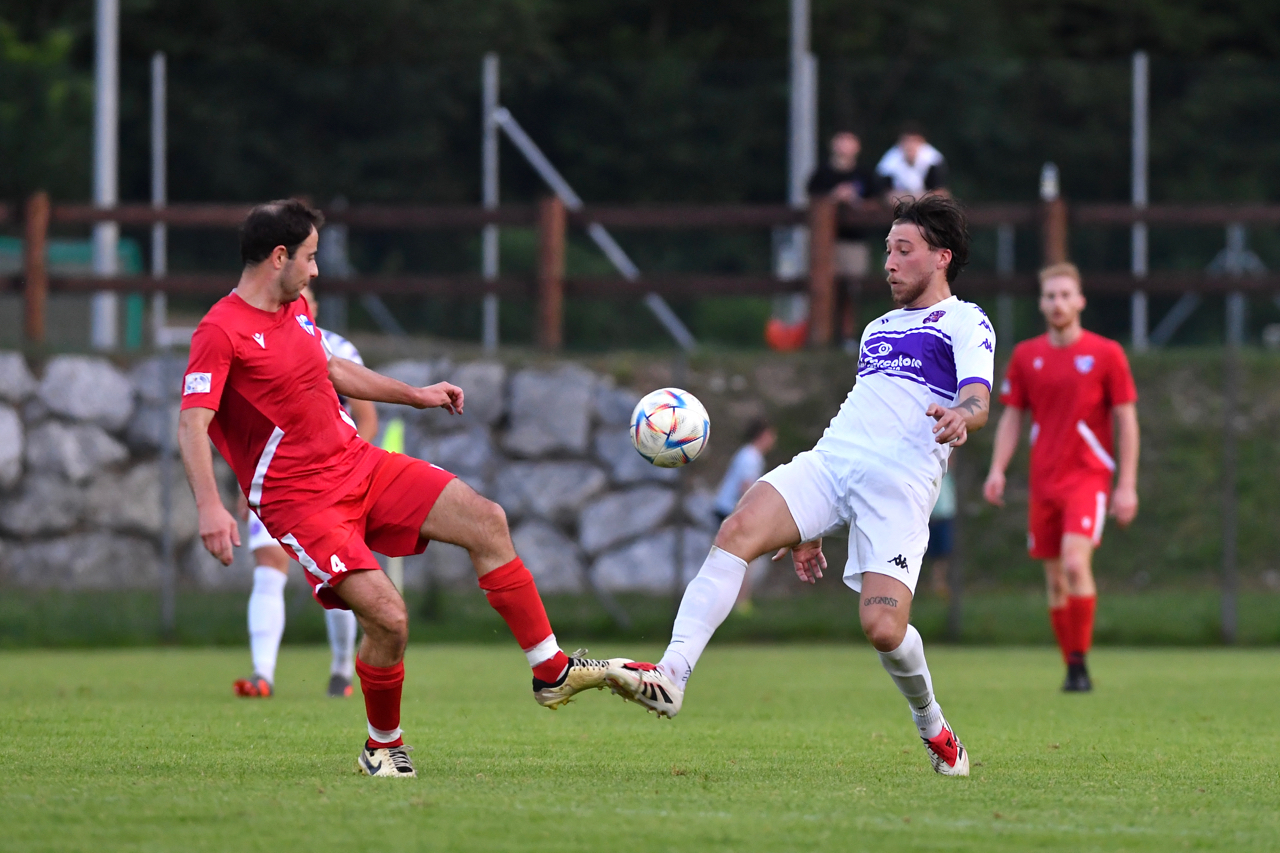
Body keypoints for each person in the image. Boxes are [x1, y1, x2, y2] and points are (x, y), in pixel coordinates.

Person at [178, 199, 626, 778]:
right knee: (389, 620)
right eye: (310, 258)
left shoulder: (295, 310)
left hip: (359, 464)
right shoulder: (220, 331)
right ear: (279, 257)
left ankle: (551, 670)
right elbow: (192, 423)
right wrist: (210, 507)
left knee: (486, 519)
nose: (316, 270)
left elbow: (331, 370)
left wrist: (416, 394)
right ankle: (382, 746)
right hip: (302, 502)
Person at [607, 195, 992, 777]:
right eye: (887, 250)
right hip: (832, 462)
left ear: (942, 257)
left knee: (883, 630)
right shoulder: (877, 330)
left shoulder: (965, 320)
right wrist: (808, 523)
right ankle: (672, 674)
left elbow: (978, 396)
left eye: (904, 250)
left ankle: (933, 725)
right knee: (738, 528)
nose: (889, 263)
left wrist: (963, 414)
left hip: (898, 487)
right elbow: (865, 411)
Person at [982, 262, 1139, 692]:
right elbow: (1012, 417)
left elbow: (1126, 420)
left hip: (1088, 478)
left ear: (1080, 301)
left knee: (1074, 563)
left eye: (1066, 295)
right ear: (1041, 302)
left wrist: (1126, 484)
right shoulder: (1026, 356)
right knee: (1054, 579)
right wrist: (997, 469)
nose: (1058, 303)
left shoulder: (1107, 354)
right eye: (1050, 295)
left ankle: (1081, 662)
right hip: (1044, 482)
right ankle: (1071, 665)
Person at [233, 284, 378, 700]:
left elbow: (367, 418)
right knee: (268, 564)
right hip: (275, 481)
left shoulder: (338, 349)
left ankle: (341, 671)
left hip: (328, 481)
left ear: (310, 306)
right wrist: (246, 481)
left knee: (340, 575)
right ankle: (262, 674)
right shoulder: (254, 347)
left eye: (303, 297)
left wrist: (349, 469)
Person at [711, 418, 777, 613]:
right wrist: (756, 515)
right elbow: (746, 488)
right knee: (741, 558)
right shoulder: (750, 457)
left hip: (728, 510)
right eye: (771, 434)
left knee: (734, 559)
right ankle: (739, 603)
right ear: (763, 435)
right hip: (729, 511)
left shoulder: (749, 455)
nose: (774, 439)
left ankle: (730, 602)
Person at [876, 123, 948, 201]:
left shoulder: (934, 160)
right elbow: (885, 194)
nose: (910, 145)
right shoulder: (889, 162)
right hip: (902, 203)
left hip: (917, 201)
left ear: (922, 142)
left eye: (914, 141)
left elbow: (939, 192)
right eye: (906, 141)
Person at [925, 471, 956, 598]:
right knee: (933, 554)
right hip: (932, 517)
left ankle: (940, 583)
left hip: (946, 516)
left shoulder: (949, 476)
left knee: (944, 552)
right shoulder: (929, 473)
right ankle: (935, 583)